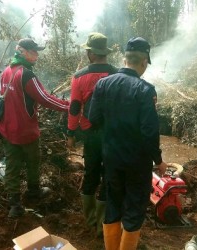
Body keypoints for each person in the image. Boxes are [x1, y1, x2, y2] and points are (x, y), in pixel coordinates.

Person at [88, 37, 168, 249]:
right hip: (137, 162)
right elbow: (149, 131)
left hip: (111, 158)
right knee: (134, 210)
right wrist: (159, 160)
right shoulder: (145, 90)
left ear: (125, 60)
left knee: (113, 205)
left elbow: (93, 119)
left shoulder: (103, 84)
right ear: (143, 62)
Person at [0, 38, 69, 218]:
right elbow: (46, 99)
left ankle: (14, 204)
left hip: (7, 128)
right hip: (25, 130)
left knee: (12, 166)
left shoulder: (6, 71)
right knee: (32, 162)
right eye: (33, 51)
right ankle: (33, 191)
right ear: (22, 51)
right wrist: (68, 106)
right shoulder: (27, 74)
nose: (36, 55)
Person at [67, 32, 118, 237]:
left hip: (90, 134)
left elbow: (74, 108)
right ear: (105, 52)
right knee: (109, 176)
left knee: (91, 174)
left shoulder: (79, 76)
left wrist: (70, 133)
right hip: (113, 135)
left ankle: (90, 220)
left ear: (90, 53)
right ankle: (102, 223)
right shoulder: (117, 74)